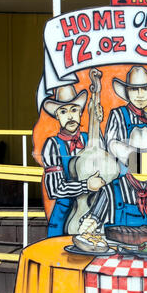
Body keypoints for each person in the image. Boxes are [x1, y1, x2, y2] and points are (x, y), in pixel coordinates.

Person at [41, 84, 105, 237]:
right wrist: (86, 185)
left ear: (81, 111)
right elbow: (54, 189)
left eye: (74, 110)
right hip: (64, 216)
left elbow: (106, 167)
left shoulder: (90, 138)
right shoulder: (52, 145)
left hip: (92, 214)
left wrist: (97, 126)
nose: (69, 116)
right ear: (57, 116)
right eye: (63, 111)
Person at [105, 65, 147, 151]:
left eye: (145, 89)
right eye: (134, 89)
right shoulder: (117, 114)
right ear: (127, 93)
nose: (140, 95)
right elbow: (109, 145)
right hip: (125, 162)